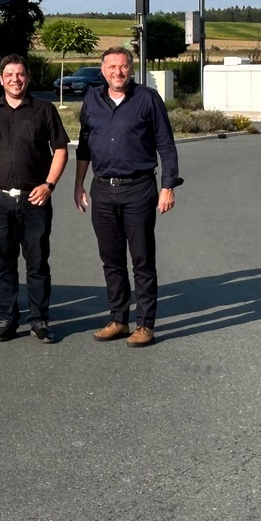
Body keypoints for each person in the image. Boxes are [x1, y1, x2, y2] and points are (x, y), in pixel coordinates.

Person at [71, 47, 179, 347]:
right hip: (102, 189)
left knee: (142, 260)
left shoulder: (147, 99)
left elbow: (166, 146)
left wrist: (167, 187)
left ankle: (144, 324)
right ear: (102, 70)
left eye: (124, 66)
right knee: (111, 259)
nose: (118, 72)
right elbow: (84, 146)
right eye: (112, 67)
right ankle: (118, 319)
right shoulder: (92, 99)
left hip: (139, 189)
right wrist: (78, 184)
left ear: (131, 70)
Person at [0, 54, 69, 344]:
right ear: (1, 79)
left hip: (34, 201)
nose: (16, 79)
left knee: (37, 263)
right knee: (4, 264)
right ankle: (6, 319)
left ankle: (39, 320)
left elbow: (60, 149)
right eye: (9, 74)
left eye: (21, 74)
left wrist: (49, 184)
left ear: (28, 77)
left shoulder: (44, 110)